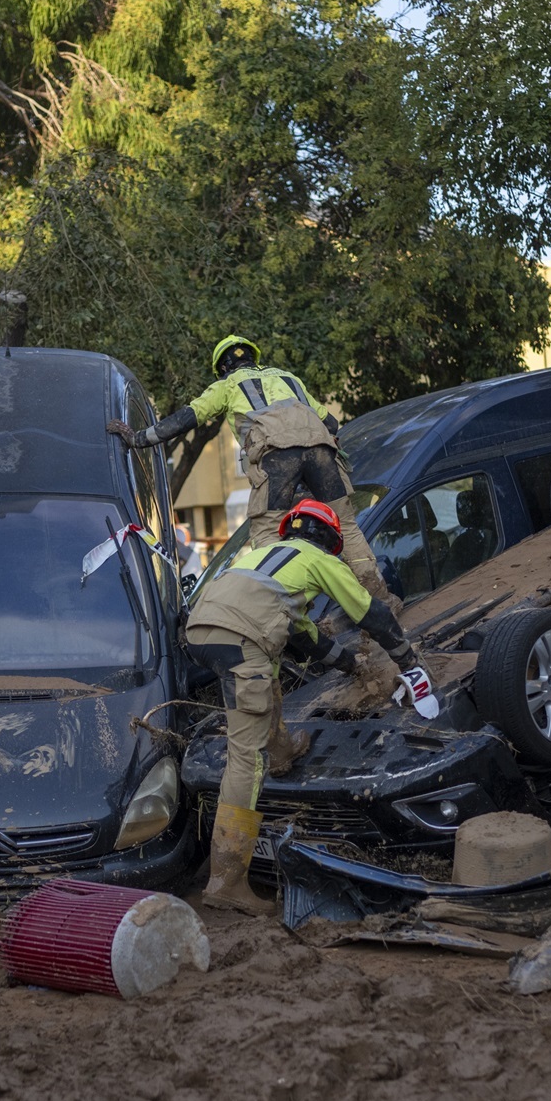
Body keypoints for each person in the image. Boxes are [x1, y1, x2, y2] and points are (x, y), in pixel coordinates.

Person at [185, 499, 430, 915]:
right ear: (331, 540)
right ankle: (227, 881)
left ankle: (280, 746)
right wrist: (408, 660)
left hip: (201, 629)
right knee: (246, 759)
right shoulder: (319, 560)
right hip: (242, 640)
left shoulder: (262, 559)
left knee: (266, 670)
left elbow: (305, 638)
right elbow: (369, 612)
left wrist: (352, 665)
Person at [107, 335, 391, 599]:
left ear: (223, 368)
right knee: (348, 526)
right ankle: (379, 598)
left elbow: (187, 418)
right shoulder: (288, 377)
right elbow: (329, 423)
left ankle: (284, 616)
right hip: (322, 453)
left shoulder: (228, 385)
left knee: (267, 533)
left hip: (276, 459)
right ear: (253, 358)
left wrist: (138, 438)